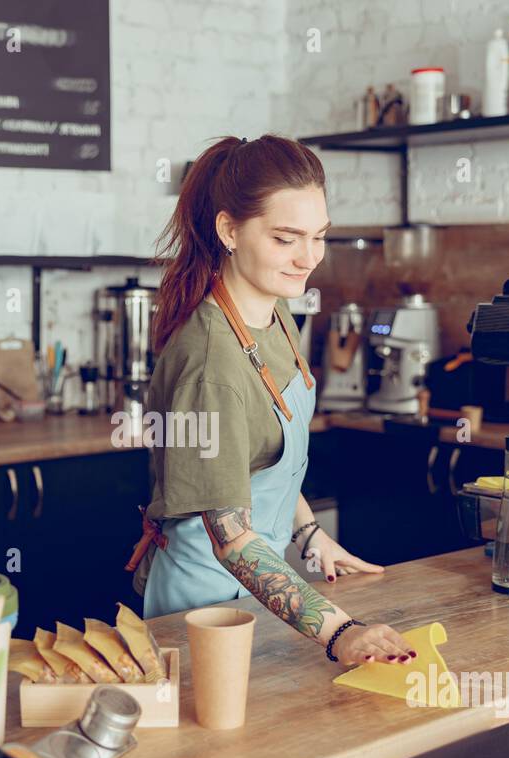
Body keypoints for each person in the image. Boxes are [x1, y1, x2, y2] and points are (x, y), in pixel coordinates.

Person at [124, 134, 415, 667]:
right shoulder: (211, 364)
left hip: (260, 591)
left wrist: (309, 533)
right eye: (286, 239)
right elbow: (231, 539)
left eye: (319, 237)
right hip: (202, 610)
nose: (309, 259)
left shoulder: (275, 315)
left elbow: (267, 460)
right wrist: (339, 631)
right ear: (229, 230)